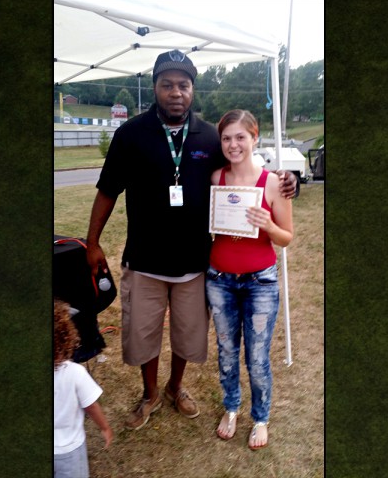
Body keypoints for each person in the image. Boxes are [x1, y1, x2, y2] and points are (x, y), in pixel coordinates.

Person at [85, 49, 297, 431]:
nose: (176, 92)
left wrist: (285, 178)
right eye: (167, 85)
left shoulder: (208, 136)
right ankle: (149, 394)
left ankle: (174, 388)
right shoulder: (130, 134)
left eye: (183, 85)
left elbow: (244, 164)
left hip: (195, 263)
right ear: (155, 87)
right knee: (143, 335)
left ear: (193, 89)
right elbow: (107, 191)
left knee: (188, 334)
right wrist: (93, 242)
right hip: (145, 260)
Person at [205, 110, 294, 450]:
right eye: (226, 138)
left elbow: (286, 237)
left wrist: (268, 225)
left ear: (255, 137)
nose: (233, 144)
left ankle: (260, 417)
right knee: (227, 351)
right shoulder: (215, 179)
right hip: (219, 280)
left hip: (260, 283)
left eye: (240, 137)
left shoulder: (275, 183)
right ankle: (231, 407)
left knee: (257, 357)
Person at [54, 299, 113, 478]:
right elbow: (91, 406)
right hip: (69, 450)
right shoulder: (76, 373)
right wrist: (104, 427)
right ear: (67, 339)